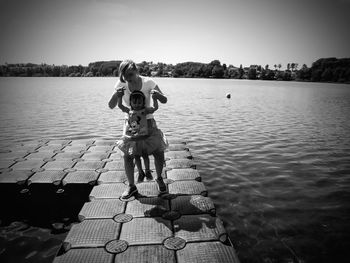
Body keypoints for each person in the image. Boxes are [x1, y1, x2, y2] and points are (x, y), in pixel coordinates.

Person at [108, 59, 168, 199]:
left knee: (158, 152)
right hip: (131, 124)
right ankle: (131, 187)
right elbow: (111, 105)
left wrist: (157, 96)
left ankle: (159, 179)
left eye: (130, 74)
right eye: (125, 76)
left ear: (136, 71)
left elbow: (164, 100)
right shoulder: (121, 83)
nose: (128, 78)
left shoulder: (148, 82)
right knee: (128, 155)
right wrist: (117, 96)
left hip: (148, 122)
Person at [116, 90, 158, 182]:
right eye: (134, 102)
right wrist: (119, 96)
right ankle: (140, 172)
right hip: (134, 138)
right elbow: (120, 106)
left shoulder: (145, 110)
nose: (137, 104)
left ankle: (147, 171)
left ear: (143, 102)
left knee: (145, 155)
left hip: (143, 137)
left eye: (139, 102)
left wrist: (155, 98)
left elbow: (155, 108)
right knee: (136, 156)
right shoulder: (129, 111)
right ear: (130, 102)